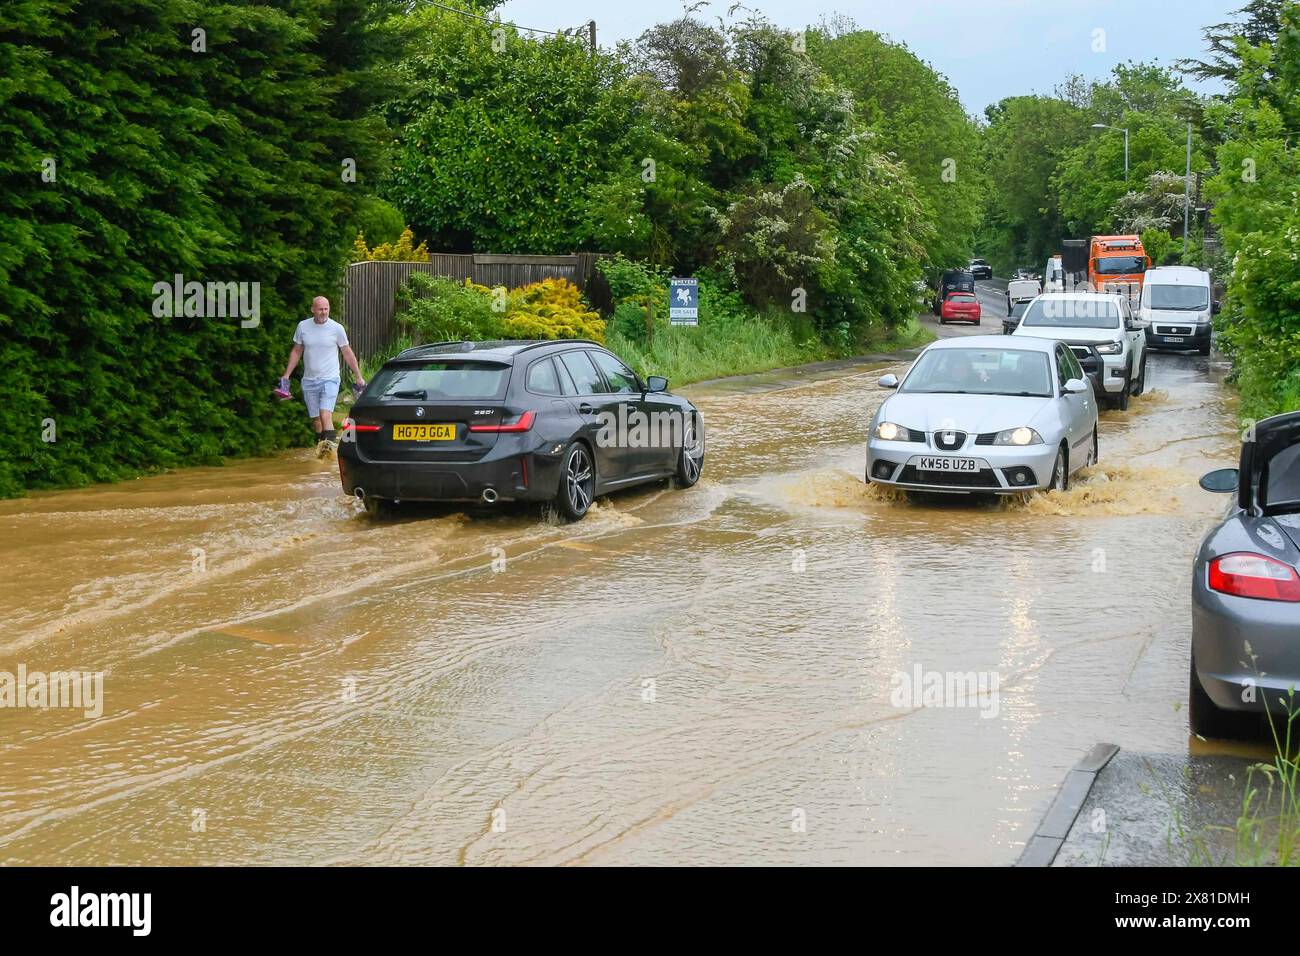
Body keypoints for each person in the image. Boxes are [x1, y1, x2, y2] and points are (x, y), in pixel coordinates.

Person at [281, 296, 365, 455]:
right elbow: (297, 351)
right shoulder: (303, 326)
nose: (324, 312)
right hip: (309, 380)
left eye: (326, 309)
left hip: (330, 378)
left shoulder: (336, 328)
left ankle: (333, 453)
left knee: (325, 414)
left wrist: (358, 376)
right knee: (317, 421)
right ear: (313, 309)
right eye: (320, 309)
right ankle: (322, 454)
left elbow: (347, 352)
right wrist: (286, 375)